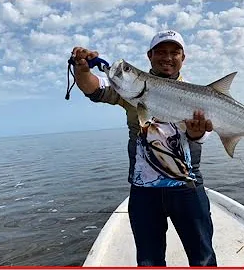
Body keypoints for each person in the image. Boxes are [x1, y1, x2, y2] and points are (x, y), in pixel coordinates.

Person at [71, 30, 217, 266]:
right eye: (161, 52)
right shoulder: (129, 89)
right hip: (144, 191)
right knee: (149, 261)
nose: (167, 57)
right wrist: (82, 69)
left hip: (187, 188)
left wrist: (196, 132)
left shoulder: (196, 93)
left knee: (203, 258)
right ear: (149, 55)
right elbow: (94, 89)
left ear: (183, 57)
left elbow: (199, 138)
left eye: (174, 52)